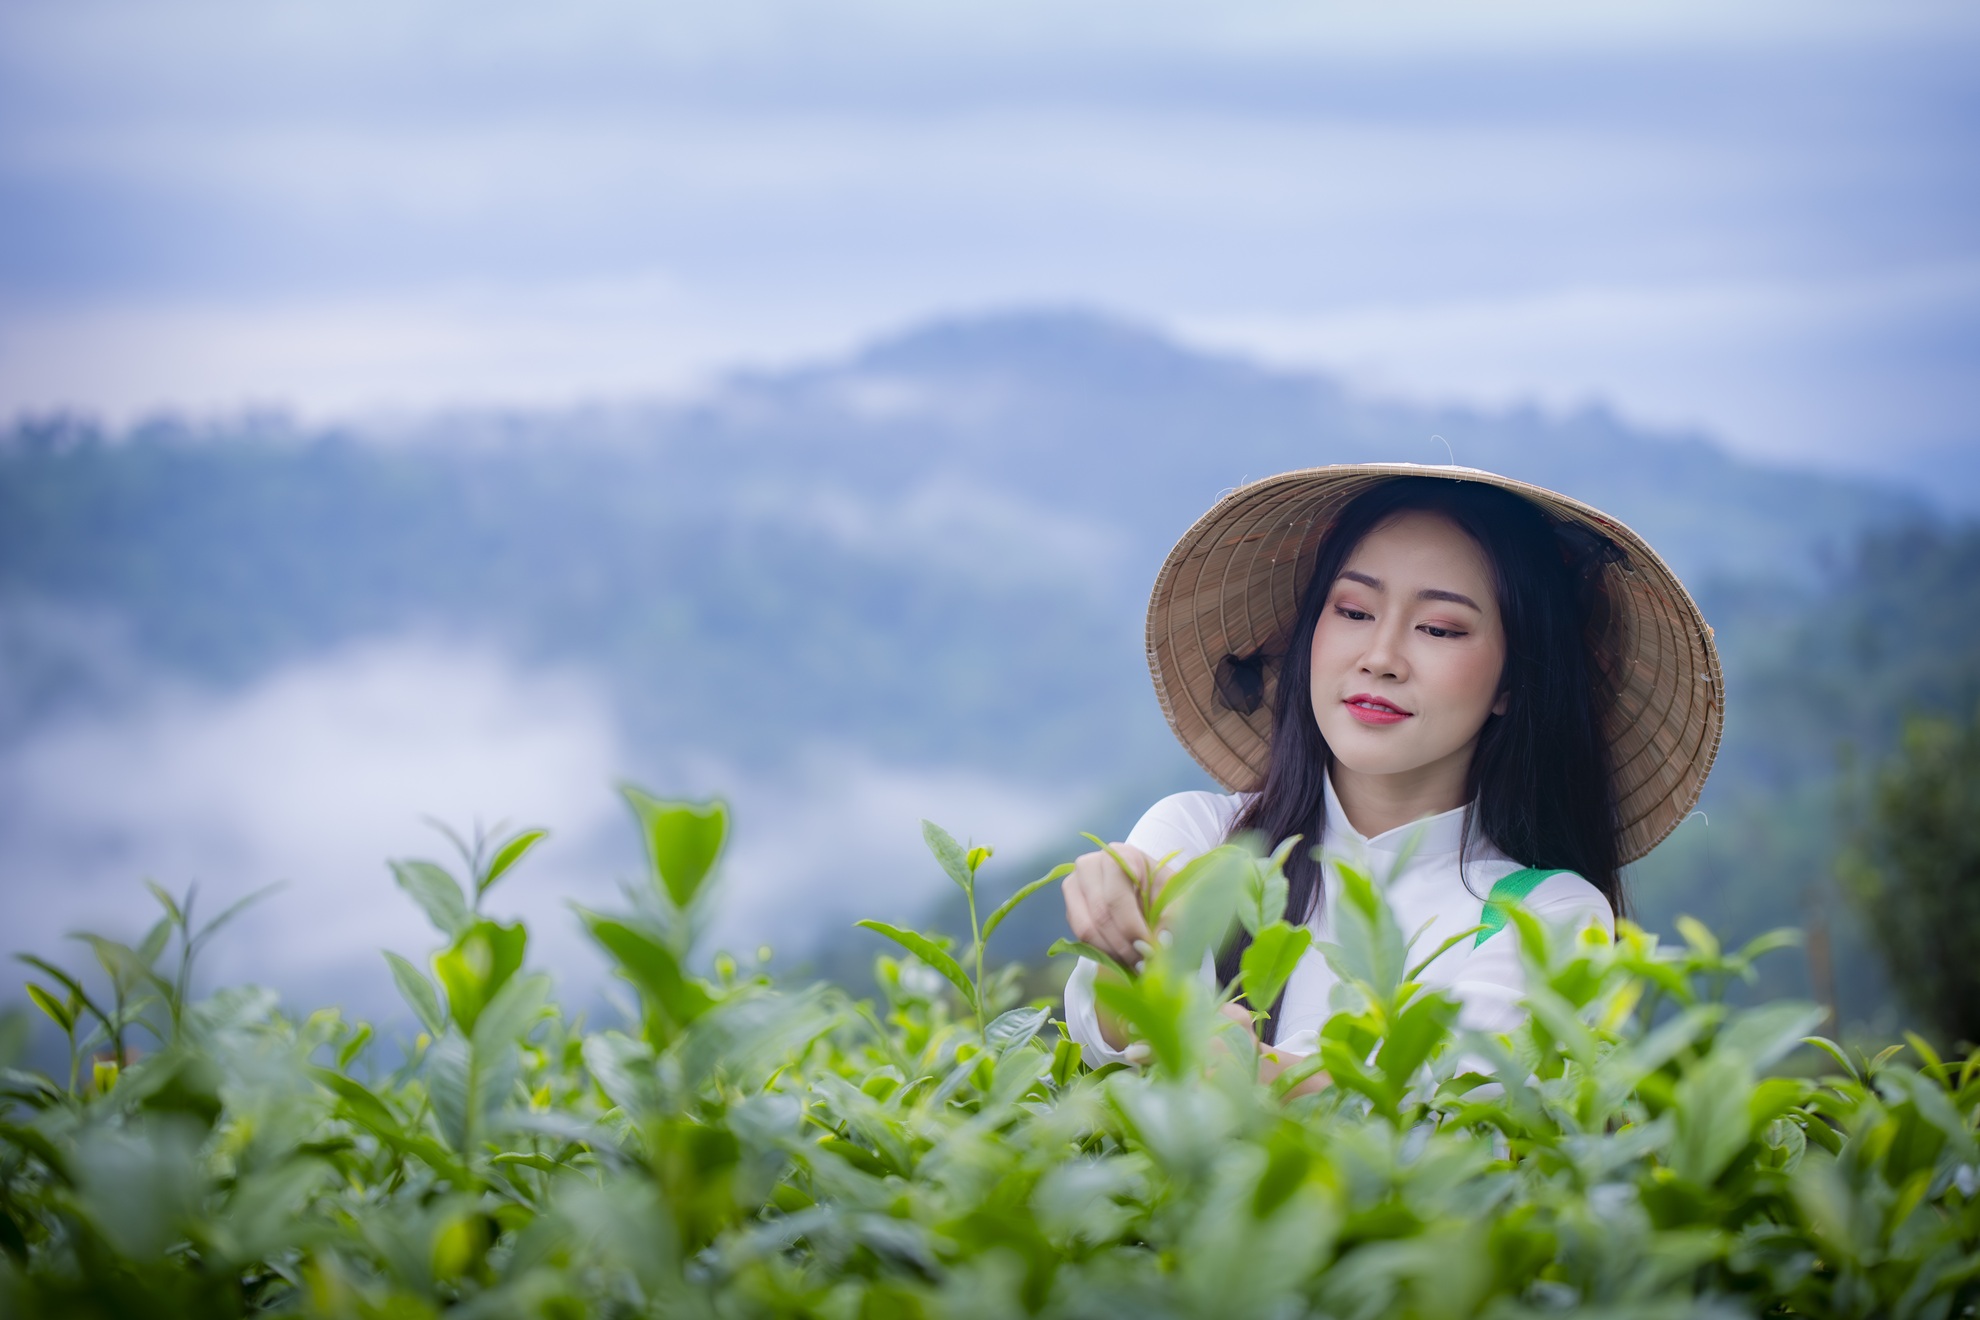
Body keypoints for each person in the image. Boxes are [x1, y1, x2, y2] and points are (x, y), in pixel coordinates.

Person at [1061, 465, 1722, 1072]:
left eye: (1438, 628)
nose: (1381, 655)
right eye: (1353, 611)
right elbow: (1113, 1033)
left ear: (1510, 683)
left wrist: (1252, 1071)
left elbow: (1453, 1104)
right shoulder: (1206, 840)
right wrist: (1125, 940)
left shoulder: (1545, 914)